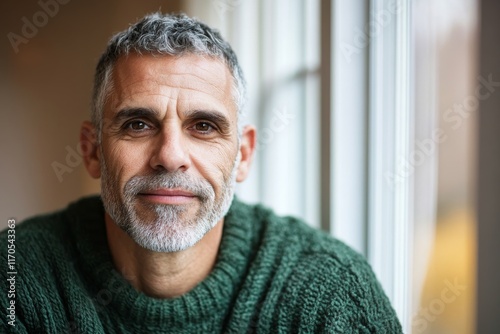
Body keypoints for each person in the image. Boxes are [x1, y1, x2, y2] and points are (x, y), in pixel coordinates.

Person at [0, 13, 402, 333]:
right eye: (138, 124)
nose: (170, 156)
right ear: (92, 151)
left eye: (204, 126)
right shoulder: (16, 276)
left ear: (242, 155)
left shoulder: (332, 290)